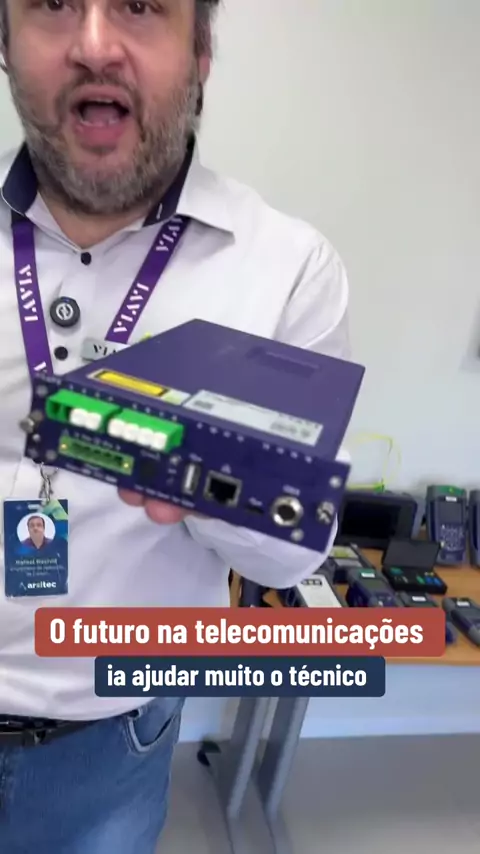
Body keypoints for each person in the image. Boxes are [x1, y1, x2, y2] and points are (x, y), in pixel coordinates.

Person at [0, 1, 351, 852]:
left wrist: (209, 483)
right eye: (53, 3)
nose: (94, 45)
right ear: (4, 44)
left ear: (200, 52)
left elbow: (292, 555)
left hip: (115, 738)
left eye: (139, 5)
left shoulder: (287, 268)